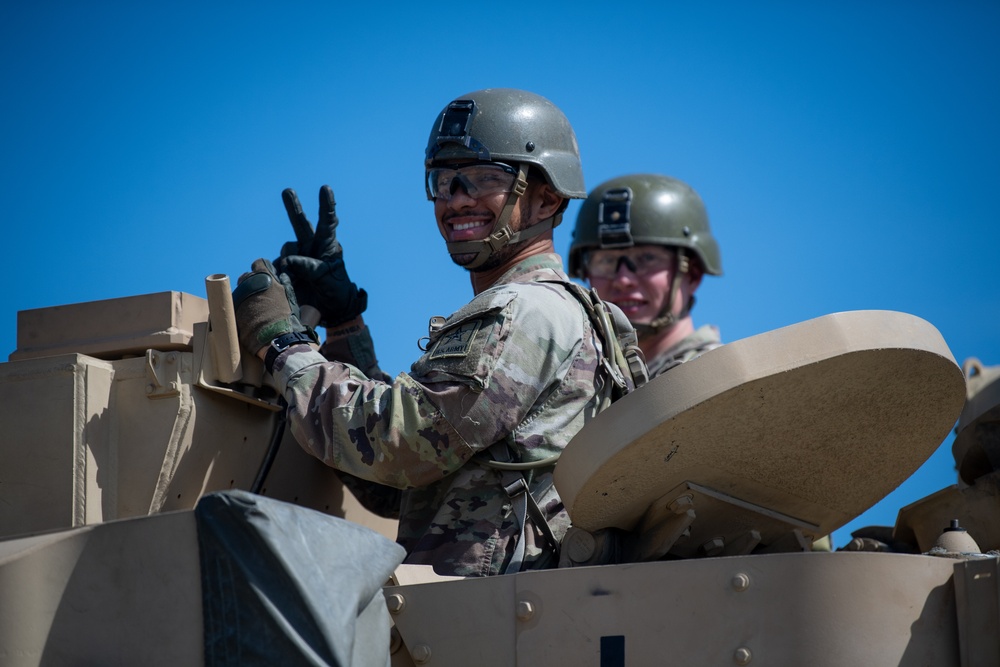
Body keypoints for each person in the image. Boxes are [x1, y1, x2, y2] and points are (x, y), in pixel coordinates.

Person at [232, 88, 643, 577]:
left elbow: (401, 445)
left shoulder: (521, 310)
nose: (456, 199)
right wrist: (345, 326)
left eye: (485, 179)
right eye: (444, 180)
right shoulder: (564, 311)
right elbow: (398, 484)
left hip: (490, 618)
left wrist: (284, 346)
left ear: (545, 198)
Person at [568, 173, 723, 378]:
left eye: (647, 259)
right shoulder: (588, 382)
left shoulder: (715, 376)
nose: (623, 280)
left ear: (692, 274)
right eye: (606, 261)